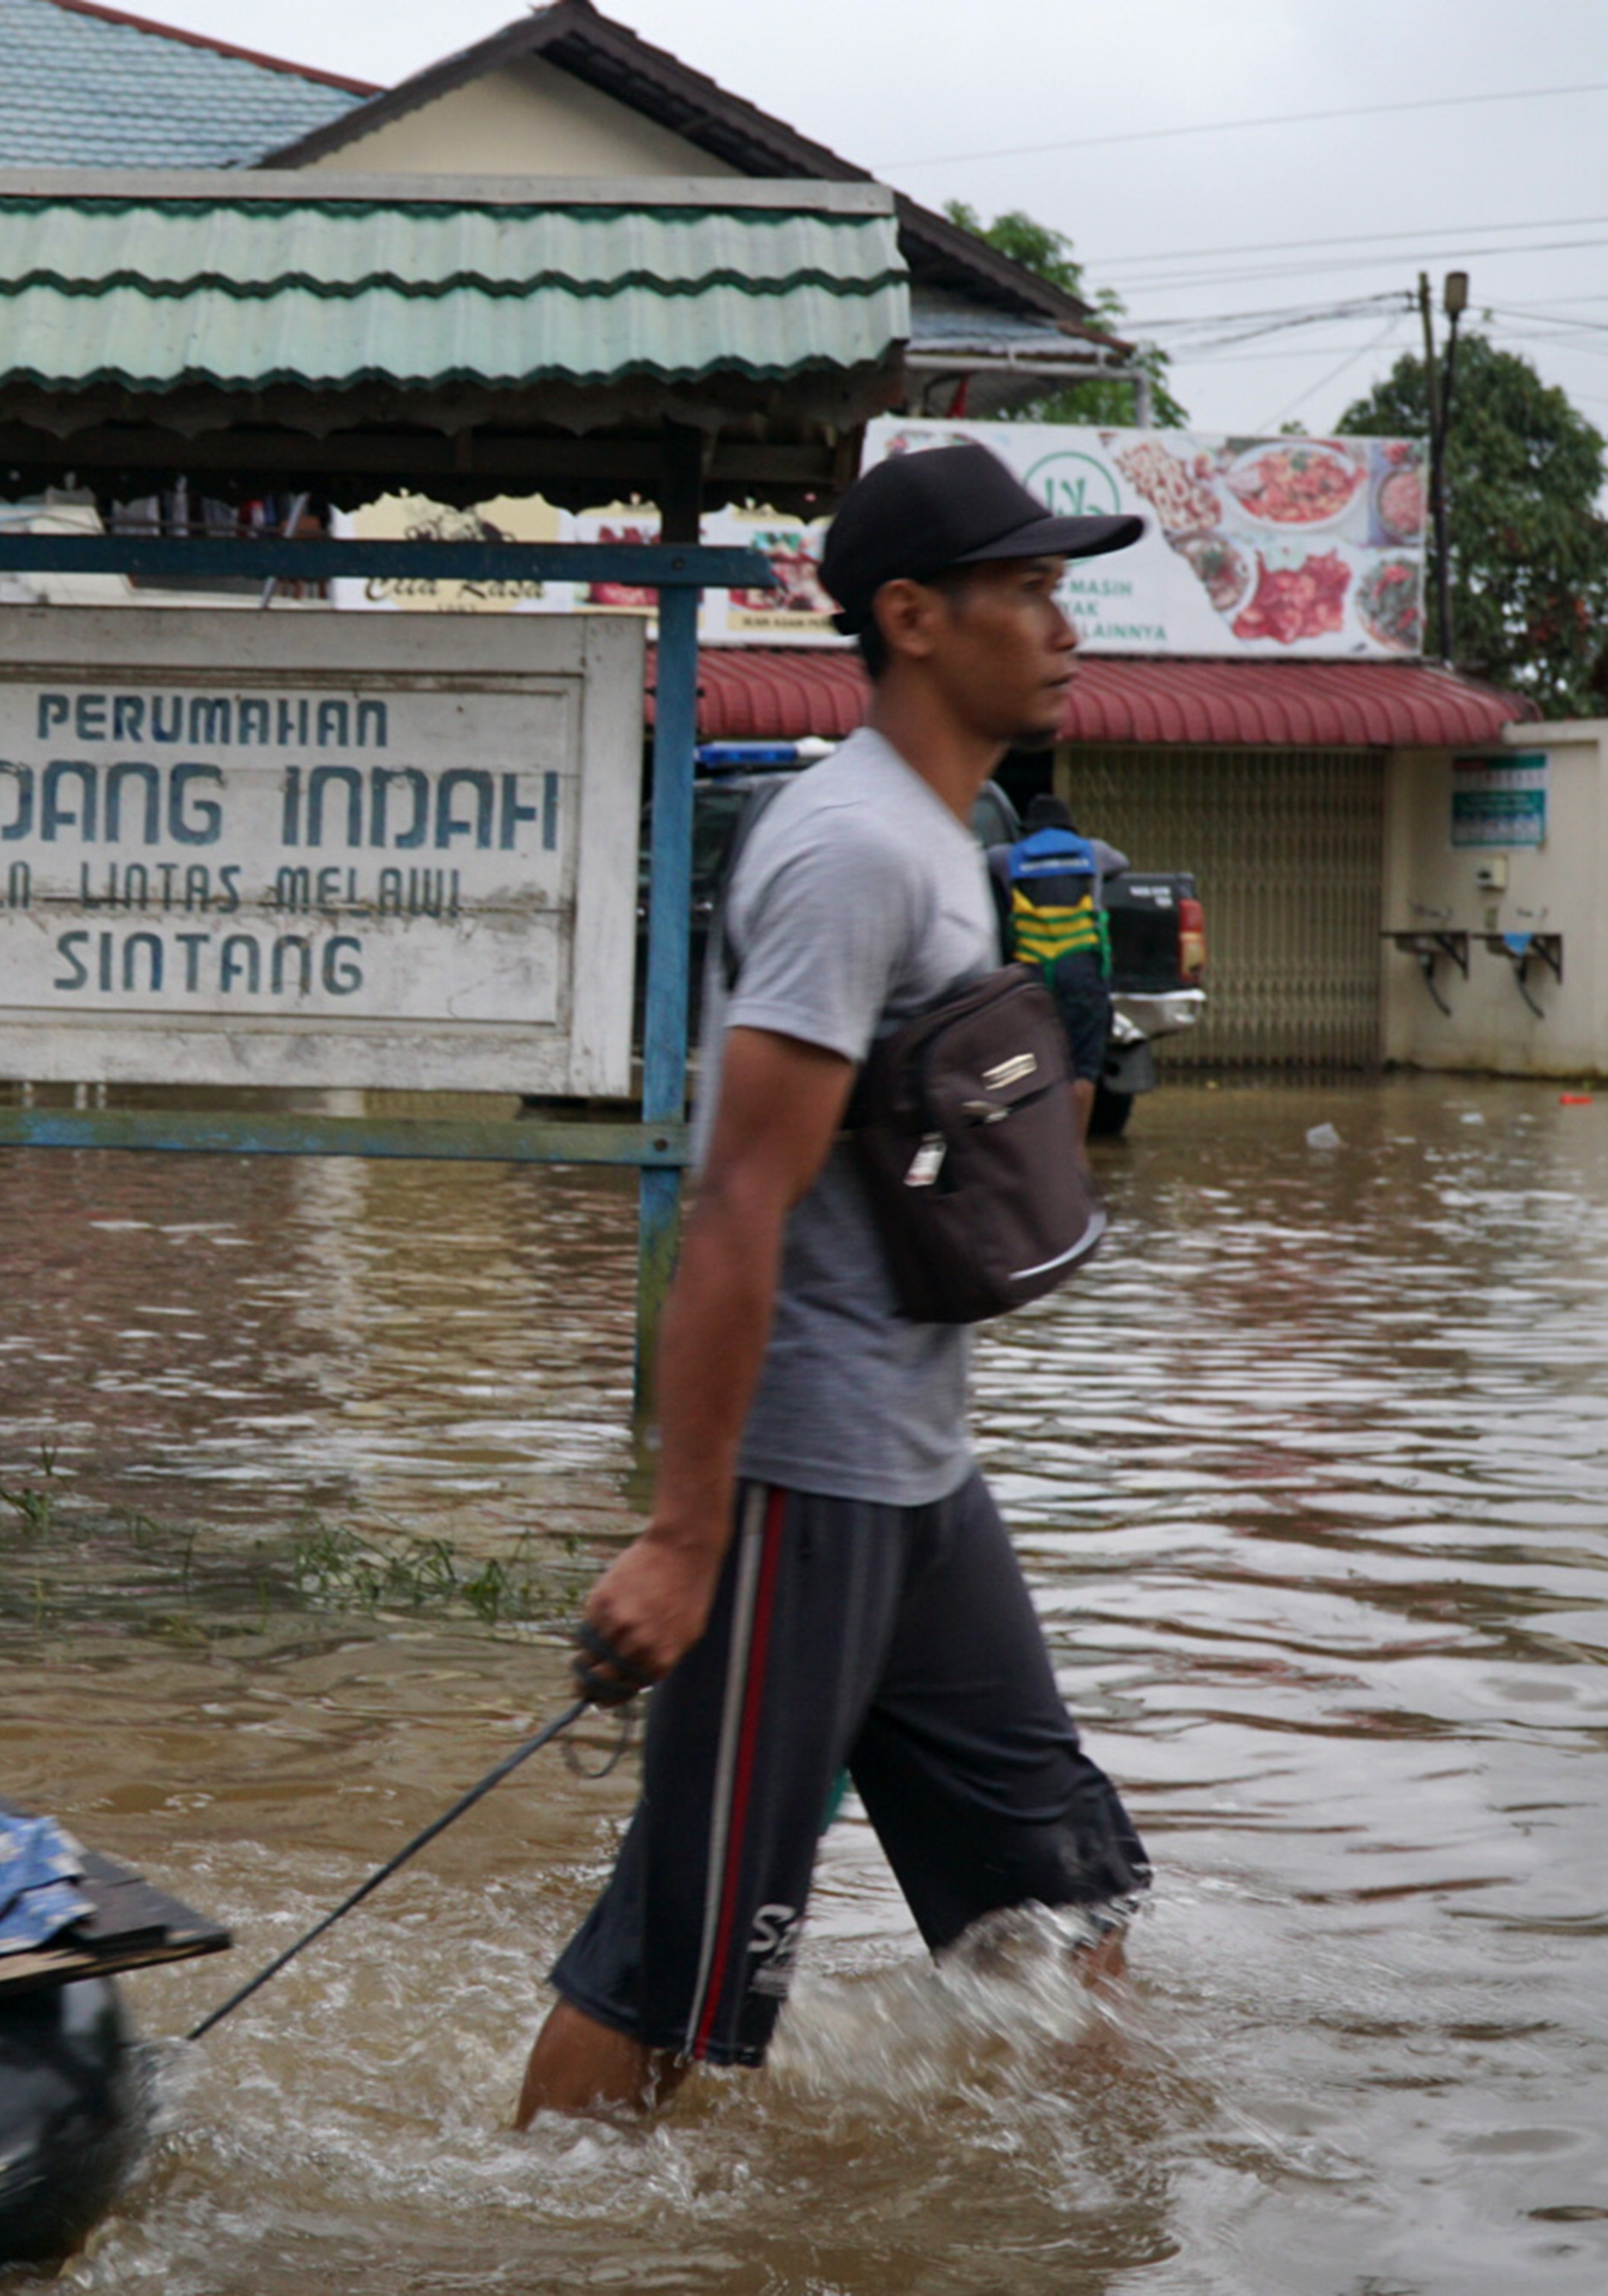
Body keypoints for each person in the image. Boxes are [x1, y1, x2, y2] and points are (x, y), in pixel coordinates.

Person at [517, 442, 1153, 2124]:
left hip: (919, 1474)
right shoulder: (852, 852)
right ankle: (524, 2233)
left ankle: (1049, 2213)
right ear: (909, 618)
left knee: (1065, 1901)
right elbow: (735, 1195)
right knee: (676, 1966)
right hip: (797, 1480)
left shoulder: (959, 842)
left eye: (1054, 584)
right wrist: (679, 1531)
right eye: (1022, 589)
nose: (1058, 623)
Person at [992, 791, 1118, 1132]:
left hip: (1031, 974)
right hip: (1081, 970)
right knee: (1083, 1068)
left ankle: (1039, 1150)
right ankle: (1074, 1160)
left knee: (1030, 1063)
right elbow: (1122, 863)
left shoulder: (1008, 857)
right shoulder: (1094, 852)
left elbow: (979, 860)